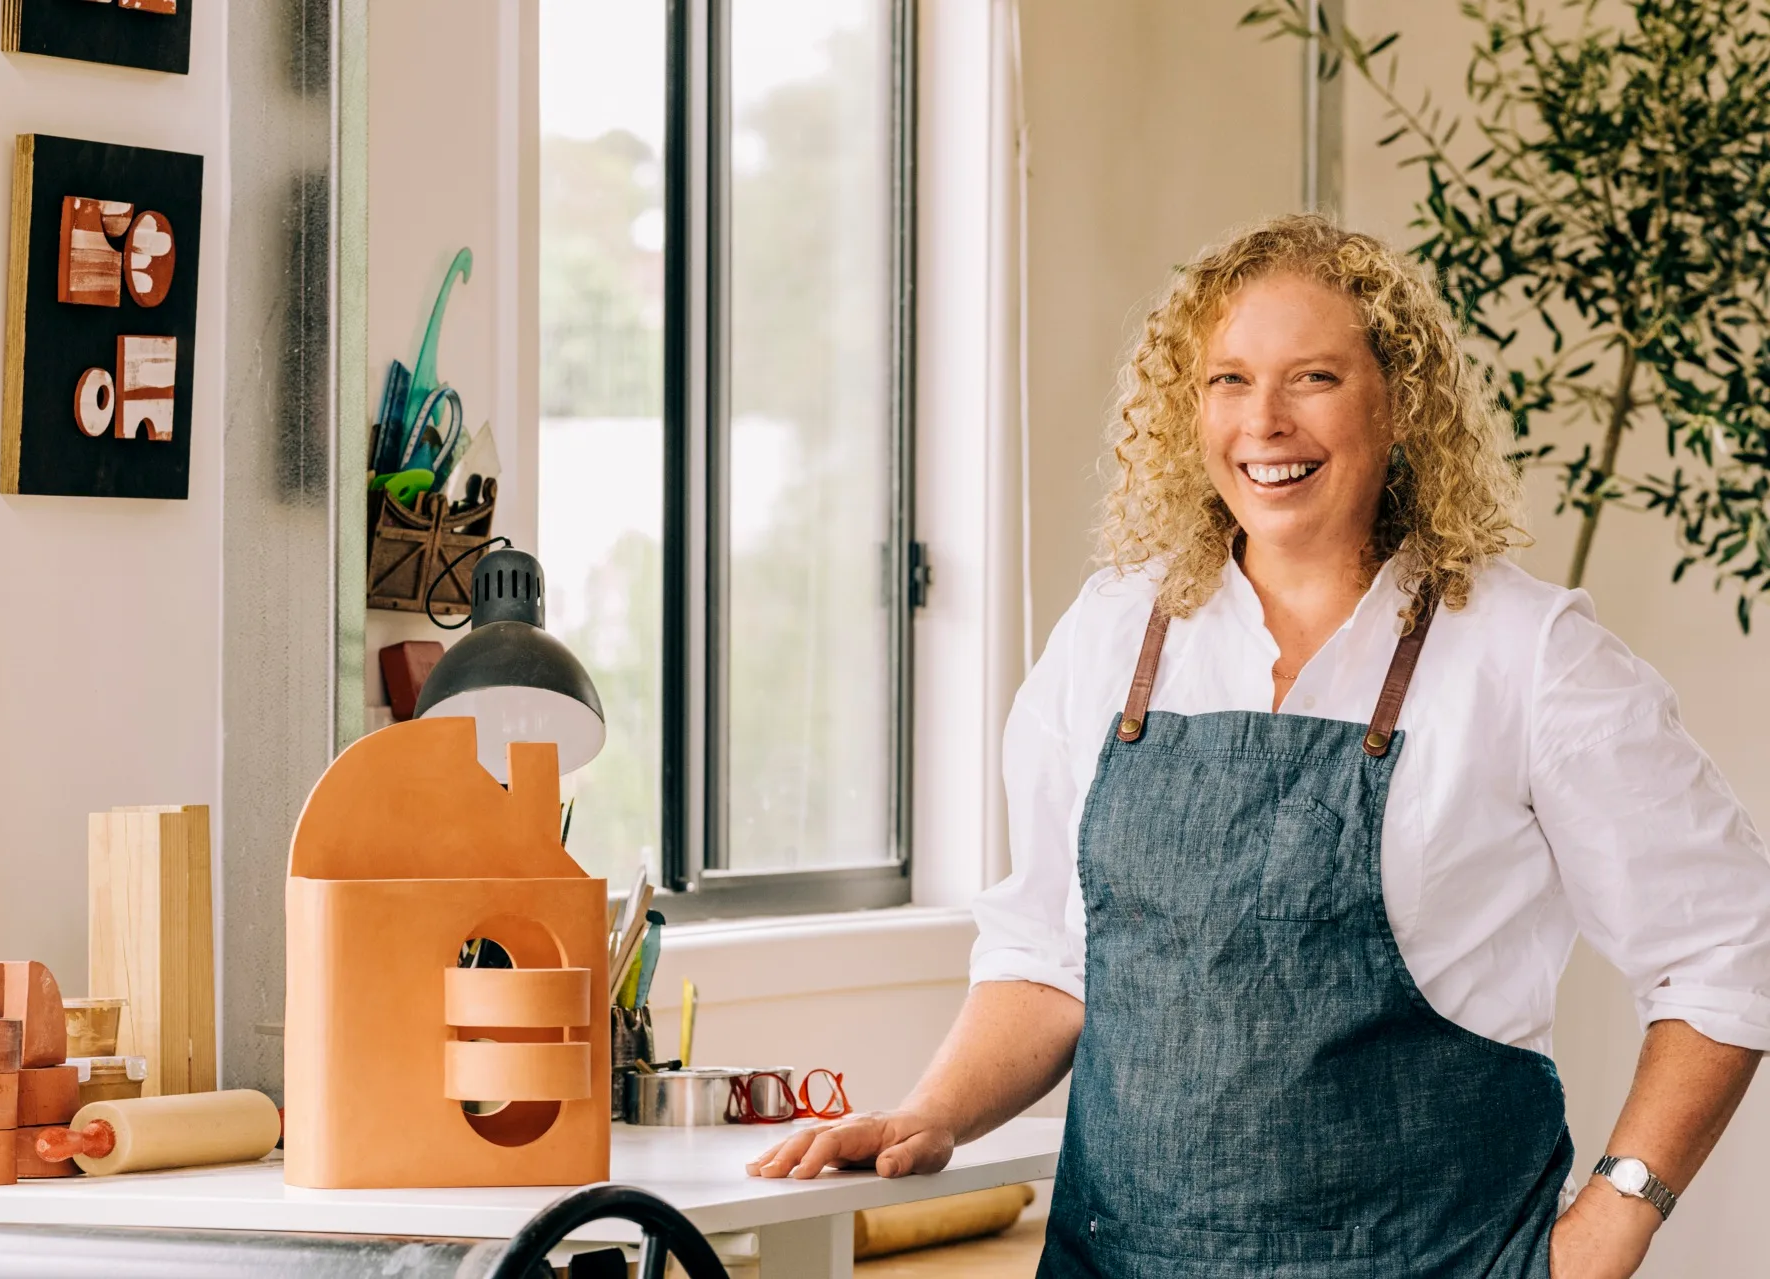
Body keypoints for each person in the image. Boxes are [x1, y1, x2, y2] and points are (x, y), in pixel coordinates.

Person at [746, 216, 1770, 1277]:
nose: (1265, 422)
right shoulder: (1112, 634)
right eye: (1228, 380)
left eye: (1314, 377)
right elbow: (1050, 963)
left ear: (1399, 400)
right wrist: (930, 1113)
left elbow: (1727, 944)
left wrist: (1618, 1214)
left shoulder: (1527, 654)